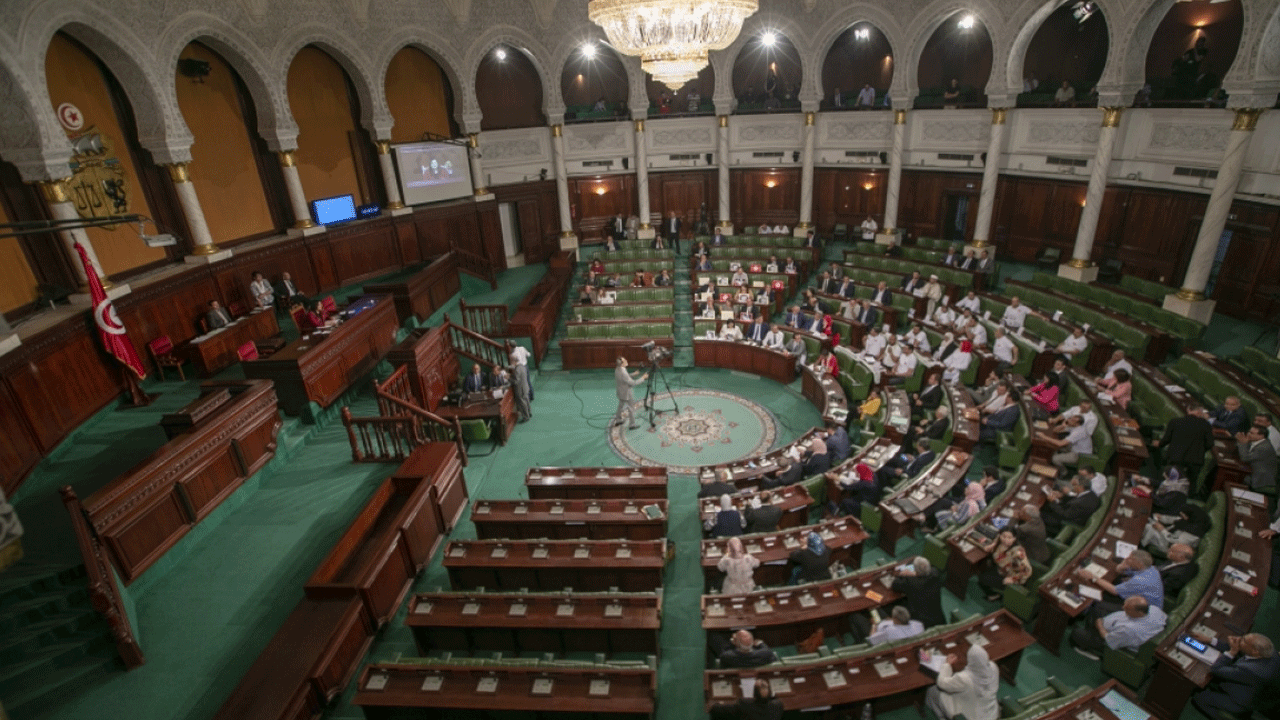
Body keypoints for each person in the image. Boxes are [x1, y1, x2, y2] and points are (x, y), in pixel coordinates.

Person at [1191, 634, 1280, 719]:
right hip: (1254, 690)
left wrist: (1232, 652)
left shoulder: (1251, 670)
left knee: (1199, 698)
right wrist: (1210, 640)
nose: (1240, 640)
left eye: (1244, 641)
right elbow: (1240, 650)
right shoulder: (1271, 653)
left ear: (1255, 651)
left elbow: (1216, 670)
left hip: (1240, 703)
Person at [1069, 596, 1166, 659]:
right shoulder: (1155, 610)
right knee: (1097, 608)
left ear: (1139, 612)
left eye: (1127, 609)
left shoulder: (1129, 630)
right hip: (1114, 626)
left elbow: (1108, 639)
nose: (1123, 608)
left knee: (1075, 633)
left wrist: (1099, 625)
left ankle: (1091, 651)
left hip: (1108, 640)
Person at [925, 645, 1000, 720]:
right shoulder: (993, 667)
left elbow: (941, 683)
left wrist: (947, 664)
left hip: (970, 716)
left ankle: (942, 717)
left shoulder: (964, 678)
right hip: (991, 713)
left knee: (932, 691)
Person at [1076, 548, 1163, 610]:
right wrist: (1122, 566)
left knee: (1099, 595)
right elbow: (1120, 570)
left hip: (1141, 610)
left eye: (1130, 559)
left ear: (1139, 563)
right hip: (1136, 597)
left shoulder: (1141, 581)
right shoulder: (1150, 568)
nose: (1126, 559)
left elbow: (1114, 591)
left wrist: (1093, 577)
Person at [1152, 407, 1213, 491]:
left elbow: (1166, 439)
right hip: (1195, 461)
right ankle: (1187, 500)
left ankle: (1161, 498)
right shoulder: (1206, 425)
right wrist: (1200, 450)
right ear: (1200, 413)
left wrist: (1159, 444)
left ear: (1188, 410)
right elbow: (1210, 444)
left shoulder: (1175, 421)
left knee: (1168, 482)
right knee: (1189, 485)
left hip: (1175, 458)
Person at [891, 556, 946, 627]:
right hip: (938, 618)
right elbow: (929, 572)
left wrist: (905, 574)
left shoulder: (911, 582)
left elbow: (894, 585)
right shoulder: (936, 574)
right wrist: (915, 574)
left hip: (921, 622)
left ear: (916, 571)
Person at [1042, 472, 1103, 536]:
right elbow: (1076, 498)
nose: (1071, 487)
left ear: (1080, 487)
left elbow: (1065, 515)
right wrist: (1062, 495)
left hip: (1065, 522)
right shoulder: (1091, 493)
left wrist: (1053, 502)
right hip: (1071, 512)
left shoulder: (1080, 504)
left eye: (1073, 485)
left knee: (1041, 513)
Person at [977, 530, 1032, 601]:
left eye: (1009, 537)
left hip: (1011, 576)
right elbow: (997, 539)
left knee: (982, 579)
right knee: (982, 568)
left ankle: (994, 595)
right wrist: (992, 545)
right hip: (1001, 569)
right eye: (1004, 536)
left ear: (1014, 538)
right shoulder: (999, 540)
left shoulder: (1018, 552)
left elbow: (1027, 570)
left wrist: (1013, 579)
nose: (1005, 539)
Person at [710, 679, 783, 720]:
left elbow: (717, 709)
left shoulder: (745, 704)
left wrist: (717, 704)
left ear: (754, 692)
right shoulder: (778, 704)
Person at [1235, 423, 1278, 492]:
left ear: (1261, 436)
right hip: (1251, 469)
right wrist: (1241, 442)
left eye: (1251, 433)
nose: (1248, 434)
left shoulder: (1264, 448)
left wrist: (1243, 443)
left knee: (1236, 477)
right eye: (1249, 432)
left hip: (1260, 479)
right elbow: (1242, 450)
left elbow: (1244, 458)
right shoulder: (1257, 441)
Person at [610, 356, 647, 430]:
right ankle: (632, 425)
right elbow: (633, 383)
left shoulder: (618, 369)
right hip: (626, 393)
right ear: (622, 364)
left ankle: (618, 420)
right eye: (624, 360)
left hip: (620, 391)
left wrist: (634, 374)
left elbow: (624, 377)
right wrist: (643, 378)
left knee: (620, 405)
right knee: (631, 408)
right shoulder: (623, 372)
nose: (626, 360)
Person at [860, 605, 925, 645]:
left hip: (877, 628)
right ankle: (871, 602)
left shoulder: (887, 632)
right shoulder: (918, 625)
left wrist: (874, 625)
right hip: (885, 622)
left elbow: (872, 640)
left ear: (896, 619)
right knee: (875, 608)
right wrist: (889, 620)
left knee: (855, 617)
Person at [508, 340, 532, 422]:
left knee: (522, 402)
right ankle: (529, 412)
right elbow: (528, 354)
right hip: (525, 386)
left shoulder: (517, 369)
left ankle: (526, 417)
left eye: (511, 361)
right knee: (527, 399)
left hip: (520, 389)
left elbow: (516, 381)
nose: (511, 362)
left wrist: (508, 378)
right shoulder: (523, 366)